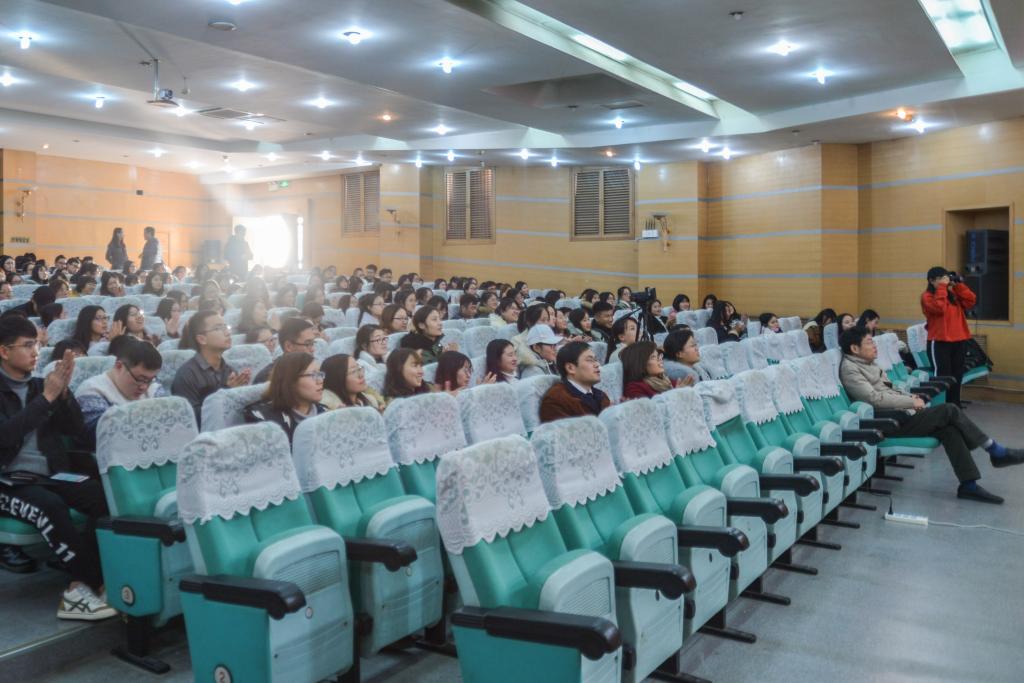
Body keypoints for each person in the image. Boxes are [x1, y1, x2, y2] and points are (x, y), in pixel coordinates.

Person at [0, 316, 115, 619]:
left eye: (37, 345)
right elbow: (4, 437)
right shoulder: (39, 391)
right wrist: (48, 398)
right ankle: (89, 584)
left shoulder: (42, 385)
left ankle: (80, 584)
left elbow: (75, 430)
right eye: (27, 346)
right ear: (4, 351)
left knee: (103, 496)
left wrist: (63, 396)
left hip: (51, 474)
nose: (35, 352)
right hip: (9, 481)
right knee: (50, 506)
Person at [838, 326, 1023, 504]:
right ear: (854, 348)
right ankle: (995, 451)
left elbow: (890, 389)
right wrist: (910, 402)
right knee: (949, 409)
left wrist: (910, 397)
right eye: (869, 342)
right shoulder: (850, 369)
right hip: (888, 422)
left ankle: (969, 485)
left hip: (901, 414)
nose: (875, 346)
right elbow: (874, 399)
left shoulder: (870, 363)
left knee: (949, 430)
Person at [75, 338, 164, 447]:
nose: (144, 387)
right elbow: (102, 435)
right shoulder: (92, 391)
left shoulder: (154, 388)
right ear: (119, 366)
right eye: (139, 379)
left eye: (150, 380)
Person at [172, 311, 251, 425]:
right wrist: (226, 393)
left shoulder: (229, 370)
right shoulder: (186, 375)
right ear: (202, 339)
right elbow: (190, 420)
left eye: (226, 327)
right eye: (218, 328)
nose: (227, 332)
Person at [921, 267, 977, 407]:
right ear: (931, 281)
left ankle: (954, 407)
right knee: (942, 376)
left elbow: (971, 300)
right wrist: (942, 288)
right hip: (940, 341)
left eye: (946, 278)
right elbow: (939, 308)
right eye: (941, 279)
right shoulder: (927, 296)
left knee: (957, 376)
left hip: (959, 340)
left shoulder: (952, 295)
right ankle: (941, 408)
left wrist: (958, 285)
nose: (945, 281)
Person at [243, 352, 326, 444]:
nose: (320, 381)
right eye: (313, 375)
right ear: (291, 380)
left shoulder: (326, 413)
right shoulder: (263, 420)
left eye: (320, 374)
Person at [539, 341, 609, 423]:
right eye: (590, 360)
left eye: (596, 360)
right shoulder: (556, 400)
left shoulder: (601, 396)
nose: (597, 364)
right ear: (570, 368)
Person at [253, 317, 318, 384]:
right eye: (308, 344)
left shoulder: (312, 367)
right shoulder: (268, 378)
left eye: (312, 343)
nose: (313, 349)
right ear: (288, 346)